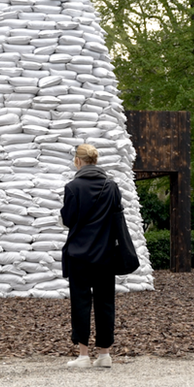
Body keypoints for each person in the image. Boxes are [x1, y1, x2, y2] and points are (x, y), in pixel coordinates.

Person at [61, 144, 120, 368]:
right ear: (95, 161)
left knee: (81, 302)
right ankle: (104, 354)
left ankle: (83, 355)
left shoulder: (73, 187)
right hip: (105, 253)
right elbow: (117, 217)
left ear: (78, 161)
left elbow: (68, 219)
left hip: (79, 254)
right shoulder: (111, 186)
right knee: (106, 302)